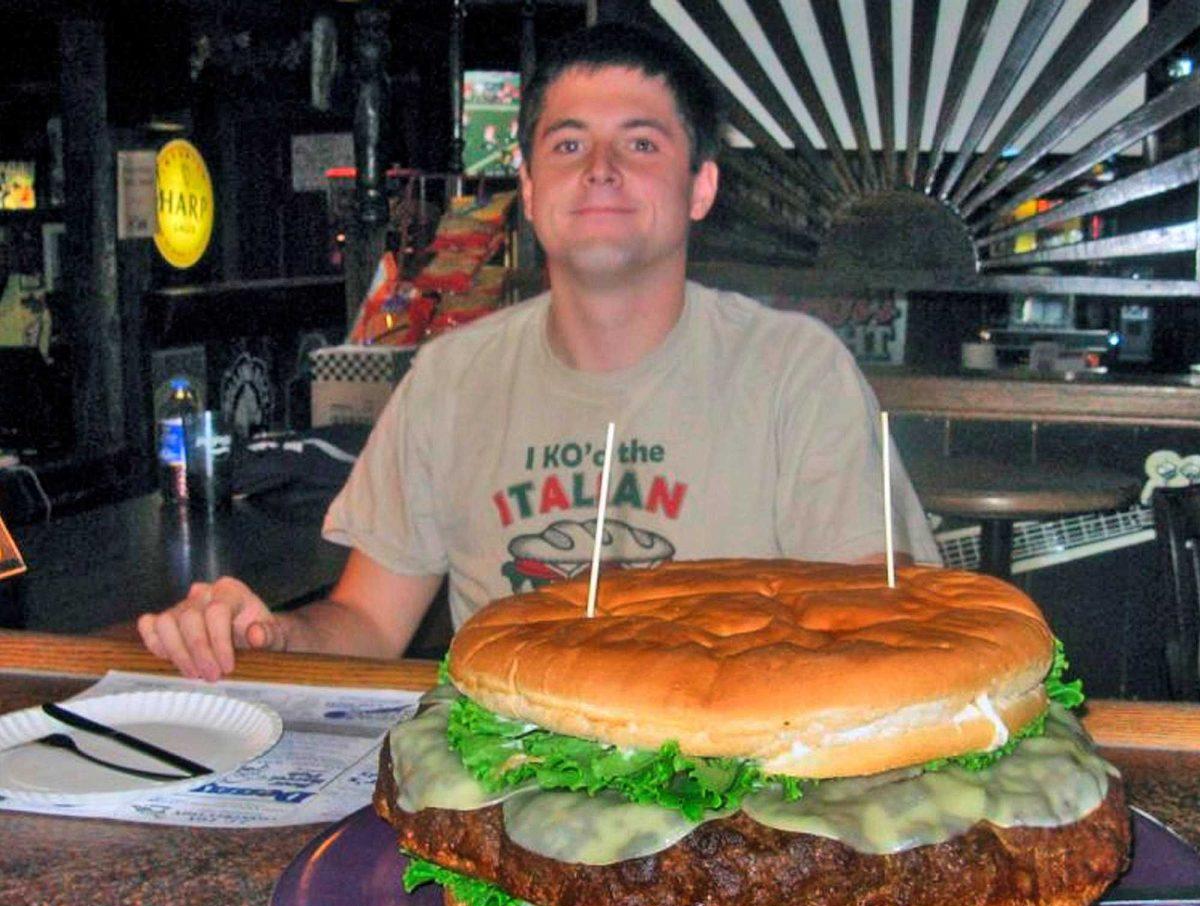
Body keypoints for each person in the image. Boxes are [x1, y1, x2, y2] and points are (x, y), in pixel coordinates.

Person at [138, 21, 939, 682]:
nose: (599, 170)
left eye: (641, 145)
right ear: (526, 186)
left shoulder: (795, 370)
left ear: (701, 187)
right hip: (513, 795)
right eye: (567, 145)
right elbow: (366, 624)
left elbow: (874, 633)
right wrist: (269, 638)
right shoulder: (451, 378)